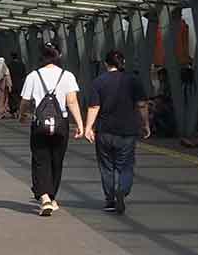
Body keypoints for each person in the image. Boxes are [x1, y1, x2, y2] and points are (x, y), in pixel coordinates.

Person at [17, 42, 84, 216]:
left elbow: (25, 101)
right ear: (58, 55)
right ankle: (51, 196)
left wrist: (21, 115)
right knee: (56, 160)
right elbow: (72, 102)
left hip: (39, 125)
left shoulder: (33, 75)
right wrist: (80, 124)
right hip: (61, 125)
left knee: (40, 160)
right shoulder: (67, 75)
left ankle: (45, 197)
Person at [82, 49, 149, 214]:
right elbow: (141, 105)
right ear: (123, 63)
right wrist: (145, 124)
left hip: (104, 131)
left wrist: (88, 127)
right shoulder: (133, 80)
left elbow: (94, 106)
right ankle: (123, 190)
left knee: (106, 166)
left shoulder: (99, 82)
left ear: (106, 64)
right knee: (126, 165)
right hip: (127, 131)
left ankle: (110, 200)